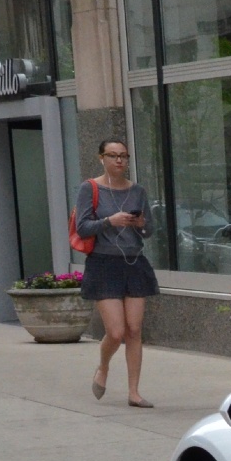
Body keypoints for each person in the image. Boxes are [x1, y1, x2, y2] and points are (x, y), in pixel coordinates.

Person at [76, 139, 159, 407]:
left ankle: (134, 392)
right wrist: (109, 221)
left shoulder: (138, 191)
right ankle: (103, 366)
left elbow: (149, 231)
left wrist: (141, 223)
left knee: (134, 330)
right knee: (115, 331)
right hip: (103, 264)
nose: (120, 161)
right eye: (113, 156)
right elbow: (83, 228)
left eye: (124, 156)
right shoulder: (90, 188)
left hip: (134, 262)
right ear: (102, 158)